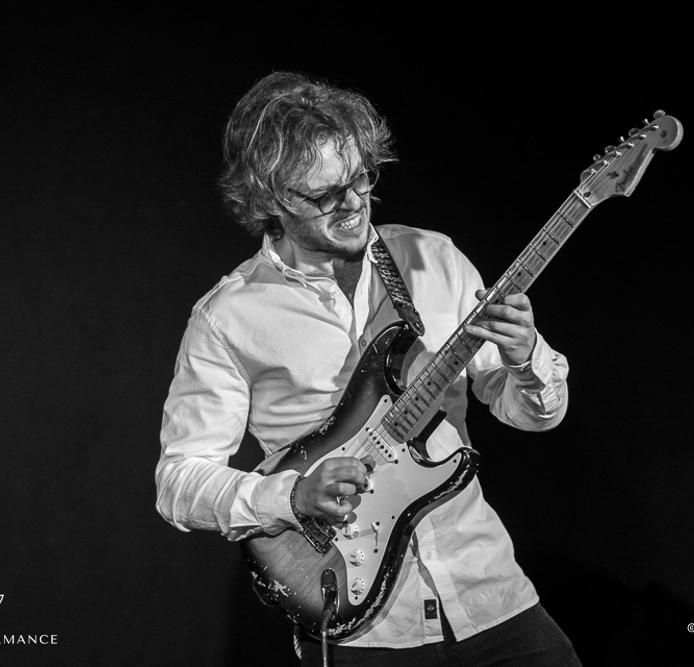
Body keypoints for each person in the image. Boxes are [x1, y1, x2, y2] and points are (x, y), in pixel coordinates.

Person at [156, 71, 582, 666]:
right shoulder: (228, 316)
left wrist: (525, 356)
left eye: (361, 177)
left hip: (487, 591)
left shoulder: (432, 258)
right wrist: (291, 495)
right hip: (363, 627)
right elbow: (179, 482)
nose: (355, 203)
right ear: (269, 199)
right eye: (325, 194)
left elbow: (536, 417)